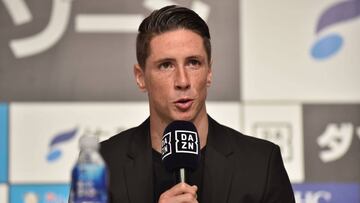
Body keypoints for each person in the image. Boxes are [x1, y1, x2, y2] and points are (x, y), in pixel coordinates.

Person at [100, 5, 295, 203]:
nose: (183, 81)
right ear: (141, 77)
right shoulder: (102, 165)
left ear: (209, 72)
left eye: (193, 63)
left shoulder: (261, 164)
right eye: (166, 65)